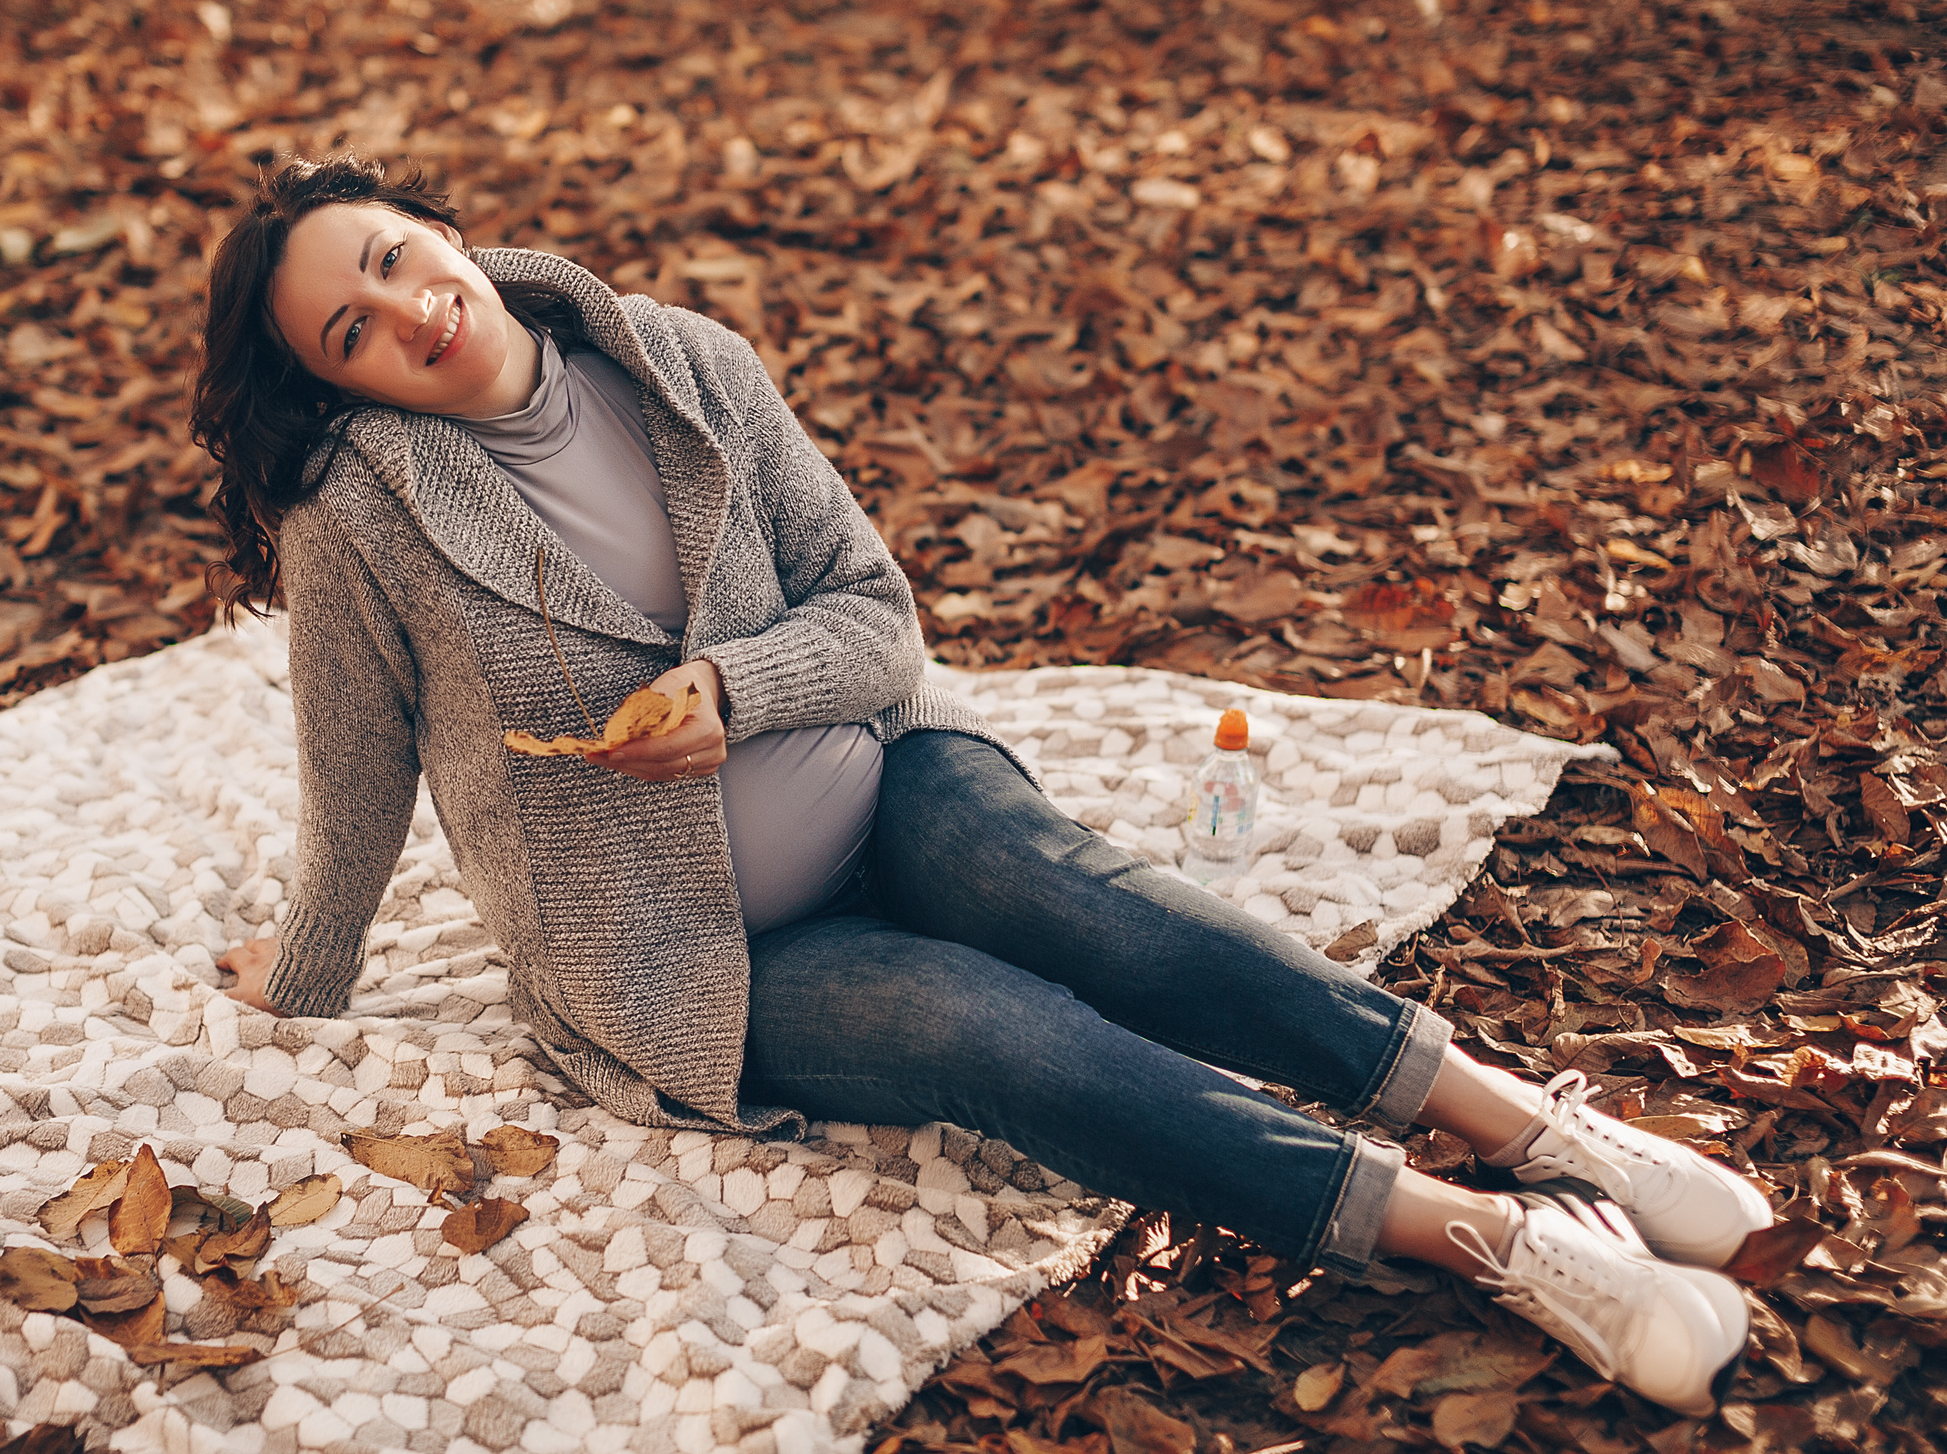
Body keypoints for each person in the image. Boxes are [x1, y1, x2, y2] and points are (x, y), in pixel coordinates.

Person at [188, 154, 1771, 1416]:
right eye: (352, 332)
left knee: (1099, 912)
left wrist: (737, 691)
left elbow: (879, 619)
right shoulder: (354, 525)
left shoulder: (683, 363)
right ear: (346, 388)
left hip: (884, 785)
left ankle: (1527, 1127)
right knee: (994, 1029)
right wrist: (307, 968)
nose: (406, 313)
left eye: (394, 258)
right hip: (692, 951)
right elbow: (353, 775)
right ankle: (1496, 1239)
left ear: (444, 228)